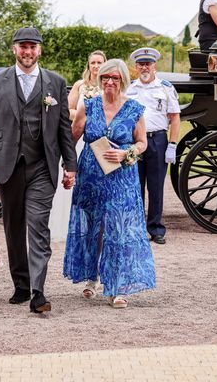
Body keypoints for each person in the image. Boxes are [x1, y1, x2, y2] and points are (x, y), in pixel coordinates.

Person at [0, 27, 77, 314]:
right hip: (7, 165)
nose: (28, 51)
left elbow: (63, 129)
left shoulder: (55, 83)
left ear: (40, 50)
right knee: (13, 226)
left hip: (42, 167)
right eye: (23, 46)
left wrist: (70, 166)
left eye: (33, 46)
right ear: (14, 49)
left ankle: (38, 291)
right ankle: (20, 284)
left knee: (38, 226)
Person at [63, 58, 156, 308]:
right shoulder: (89, 106)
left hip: (121, 178)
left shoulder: (134, 108)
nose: (110, 82)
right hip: (91, 176)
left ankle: (118, 286)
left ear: (123, 80)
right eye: (106, 77)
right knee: (94, 227)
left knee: (120, 229)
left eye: (115, 78)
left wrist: (127, 154)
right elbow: (72, 137)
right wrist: (67, 168)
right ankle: (91, 278)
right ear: (99, 79)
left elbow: (142, 143)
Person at [49, 50, 106, 242]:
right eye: (93, 63)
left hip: (100, 140)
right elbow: (67, 109)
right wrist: (84, 115)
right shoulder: (81, 86)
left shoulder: (109, 85)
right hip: (79, 137)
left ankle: (94, 225)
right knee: (75, 176)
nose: (96, 66)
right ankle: (70, 224)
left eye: (100, 63)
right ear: (88, 66)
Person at [126, 47, 180, 245]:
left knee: (156, 187)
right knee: (135, 186)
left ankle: (156, 228)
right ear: (136, 67)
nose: (144, 67)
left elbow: (174, 118)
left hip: (157, 139)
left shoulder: (165, 88)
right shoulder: (129, 89)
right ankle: (136, 228)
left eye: (148, 63)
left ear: (154, 65)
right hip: (135, 141)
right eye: (141, 64)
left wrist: (172, 144)